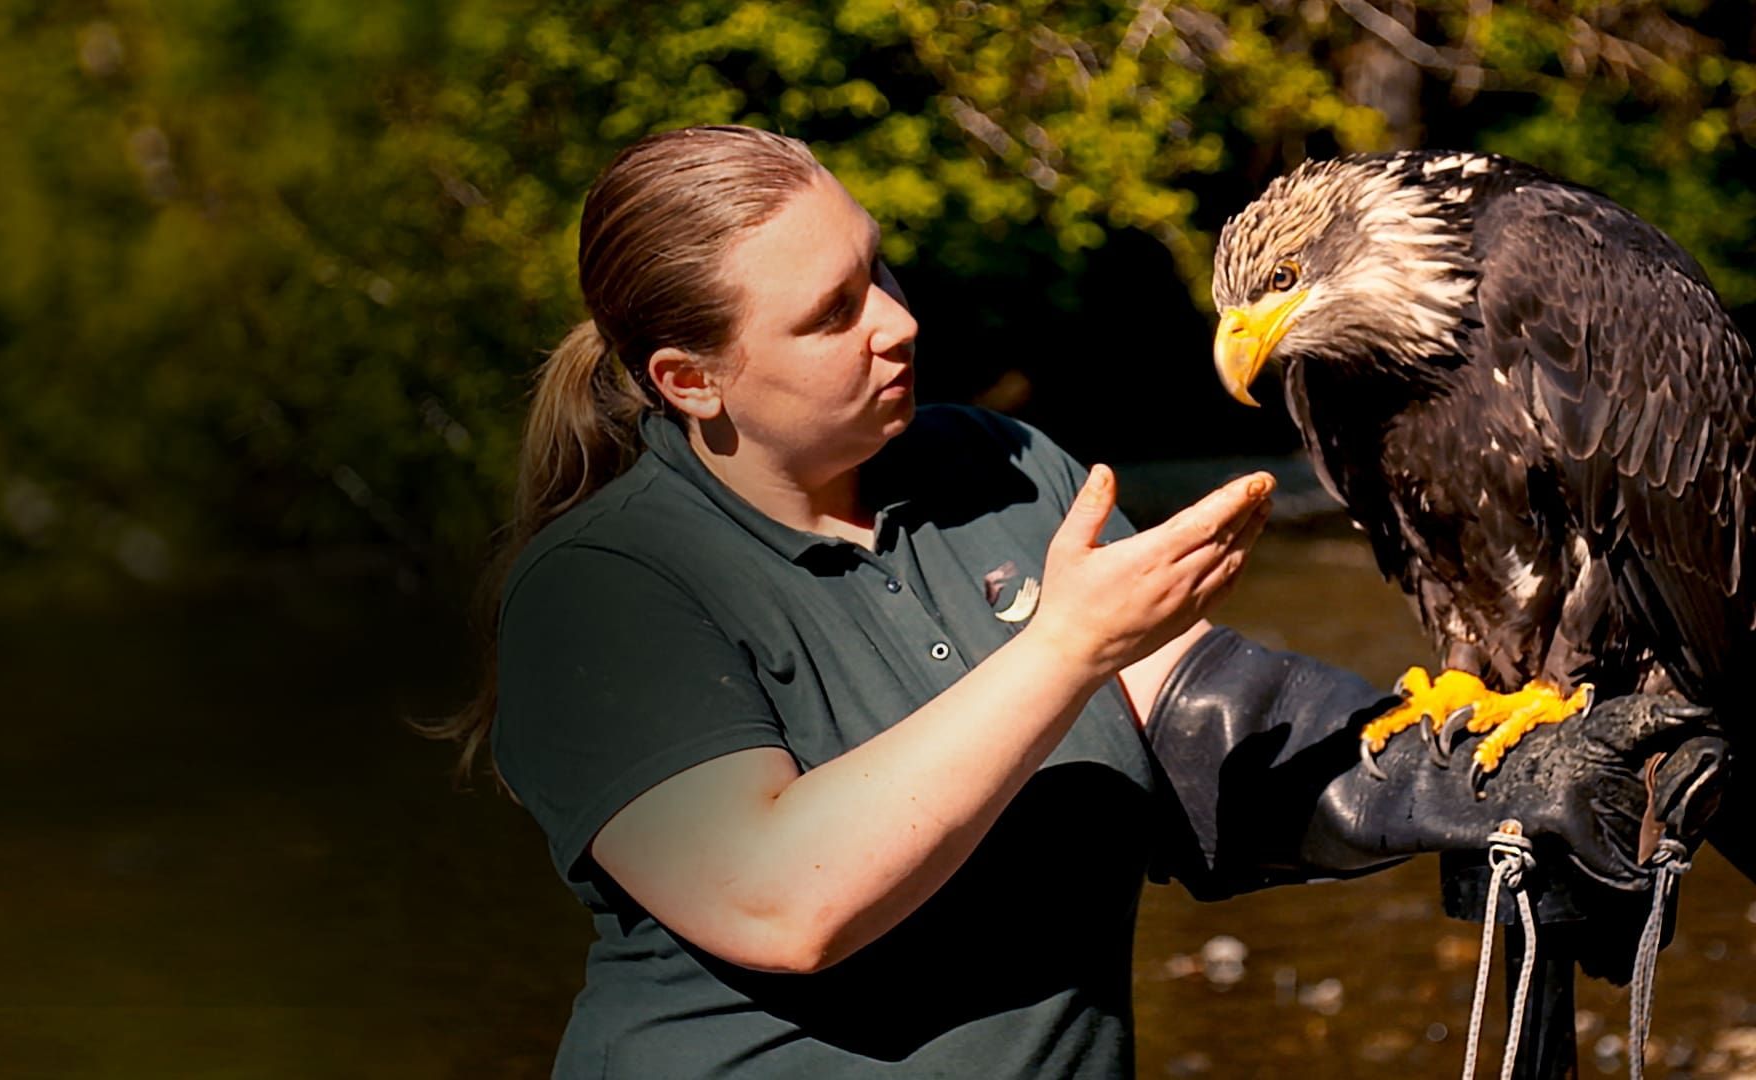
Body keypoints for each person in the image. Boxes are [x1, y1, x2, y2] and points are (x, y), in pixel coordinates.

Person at [455, 125, 1722, 1077]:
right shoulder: (600, 592)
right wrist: (1060, 647)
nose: (895, 323)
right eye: (831, 314)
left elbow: (1193, 728)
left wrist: (1463, 783)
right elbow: (782, 899)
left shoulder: (991, 469)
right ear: (690, 380)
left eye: (879, 271)